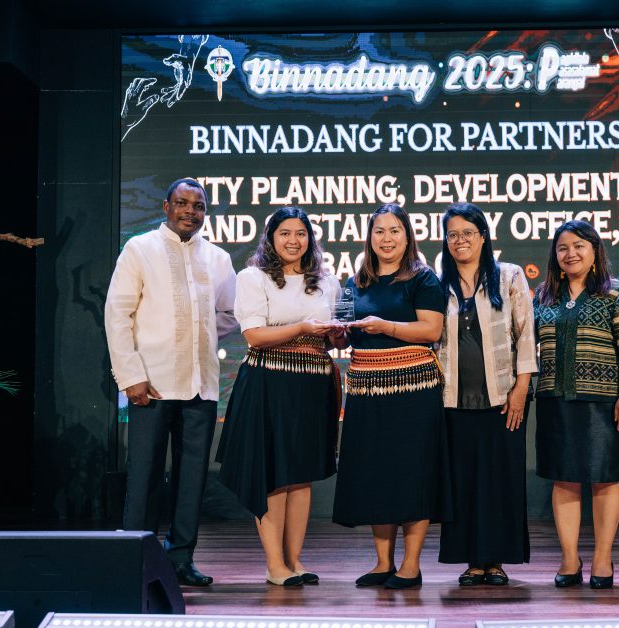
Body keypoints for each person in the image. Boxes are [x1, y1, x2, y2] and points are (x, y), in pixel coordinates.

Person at [105, 177, 238, 586]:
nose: (189, 212)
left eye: (198, 206)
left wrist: (198, 334)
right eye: (182, 203)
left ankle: (181, 558)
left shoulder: (218, 258)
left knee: (191, 478)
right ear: (166, 207)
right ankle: (135, 559)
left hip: (201, 384)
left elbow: (231, 314)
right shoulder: (139, 249)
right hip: (152, 383)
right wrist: (131, 375)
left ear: (205, 213)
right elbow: (117, 314)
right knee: (143, 474)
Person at [215, 206, 341, 587]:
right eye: (285, 233)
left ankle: (295, 560)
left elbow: (330, 338)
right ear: (270, 238)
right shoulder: (253, 278)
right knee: (274, 475)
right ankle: (275, 565)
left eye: (301, 233)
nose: (293, 240)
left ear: (310, 239)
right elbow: (254, 335)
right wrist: (302, 327)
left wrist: (338, 336)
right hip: (269, 383)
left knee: (301, 476)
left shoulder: (328, 281)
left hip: (313, 385)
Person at [332, 203, 447, 590]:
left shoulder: (424, 278)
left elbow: (431, 330)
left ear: (407, 235)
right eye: (379, 231)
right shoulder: (353, 283)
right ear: (369, 237)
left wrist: (386, 326)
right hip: (366, 390)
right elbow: (343, 334)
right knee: (376, 473)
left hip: (413, 391)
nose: (386, 238)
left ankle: (410, 566)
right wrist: (337, 335)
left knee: (412, 474)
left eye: (394, 230)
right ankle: (383, 563)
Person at [533, 219, 619, 590]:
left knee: (604, 479)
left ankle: (602, 557)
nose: (571, 254)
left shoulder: (617, 293)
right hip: (555, 401)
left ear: (595, 251)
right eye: (563, 247)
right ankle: (570, 559)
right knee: (564, 479)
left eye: (579, 246)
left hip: (602, 403)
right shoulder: (543, 296)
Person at [435, 203, 535, 586]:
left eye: (468, 233)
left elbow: (526, 334)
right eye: (453, 234)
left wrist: (522, 388)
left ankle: (495, 561)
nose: (460, 240)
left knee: (499, 480)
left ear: (482, 237)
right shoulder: (437, 283)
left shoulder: (508, 275)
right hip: (452, 400)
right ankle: (472, 561)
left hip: (503, 398)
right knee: (463, 482)